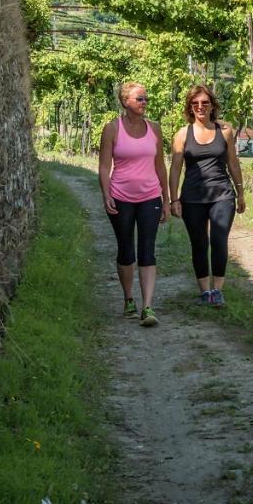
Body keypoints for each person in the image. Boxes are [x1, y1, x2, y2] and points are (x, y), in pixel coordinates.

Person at [98, 81, 170, 327]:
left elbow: (160, 165)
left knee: (147, 250)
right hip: (121, 196)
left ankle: (147, 307)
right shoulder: (112, 129)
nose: (144, 102)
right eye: (139, 99)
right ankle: (129, 297)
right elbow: (105, 165)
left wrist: (167, 199)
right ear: (125, 101)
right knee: (126, 249)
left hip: (150, 196)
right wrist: (105, 193)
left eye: (146, 98)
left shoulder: (155, 129)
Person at [168, 85, 247, 307]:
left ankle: (218, 290)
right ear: (190, 108)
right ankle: (204, 291)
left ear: (212, 105)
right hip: (192, 197)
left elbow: (233, 162)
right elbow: (175, 169)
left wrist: (240, 193)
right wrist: (173, 199)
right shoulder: (182, 134)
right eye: (195, 104)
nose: (200, 107)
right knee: (199, 243)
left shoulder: (225, 131)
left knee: (219, 239)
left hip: (222, 193)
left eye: (204, 103)